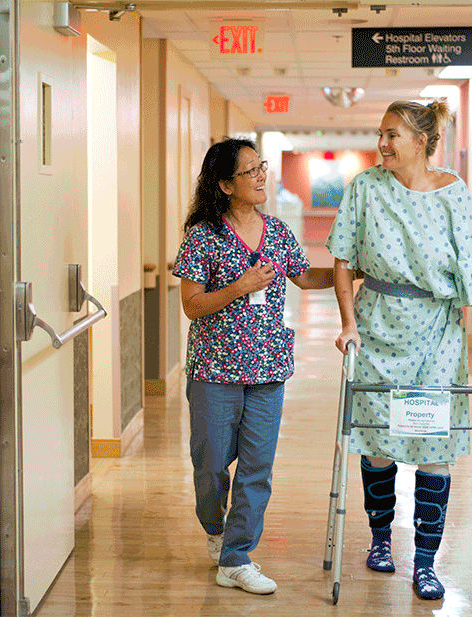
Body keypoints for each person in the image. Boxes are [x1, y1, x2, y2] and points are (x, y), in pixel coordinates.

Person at [325, 99, 472, 600]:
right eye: (381, 133)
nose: (382, 143)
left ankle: (426, 562)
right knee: (377, 445)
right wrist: (348, 323)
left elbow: (470, 265)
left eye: (392, 134)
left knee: (434, 448)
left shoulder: (454, 193)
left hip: (438, 334)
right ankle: (380, 540)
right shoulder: (365, 188)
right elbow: (342, 260)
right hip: (377, 324)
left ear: (421, 141)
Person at [173, 138, 333, 595]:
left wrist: (353, 272)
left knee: (257, 466)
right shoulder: (203, 237)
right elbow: (192, 305)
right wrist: (240, 286)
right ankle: (216, 529)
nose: (262, 175)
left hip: (267, 368)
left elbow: (305, 276)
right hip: (214, 370)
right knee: (211, 466)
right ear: (225, 184)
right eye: (250, 170)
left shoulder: (279, 233)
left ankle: (237, 558)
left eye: (260, 166)